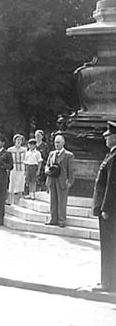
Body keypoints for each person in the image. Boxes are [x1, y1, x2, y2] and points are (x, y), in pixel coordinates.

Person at [92, 121, 116, 293]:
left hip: (109, 212)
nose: (106, 139)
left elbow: (111, 185)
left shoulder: (114, 157)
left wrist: (106, 208)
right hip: (106, 210)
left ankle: (109, 282)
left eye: (108, 137)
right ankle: (107, 280)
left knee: (109, 247)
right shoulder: (111, 155)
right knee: (108, 246)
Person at [44, 134, 74, 228]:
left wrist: (69, 181)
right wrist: (46, 170)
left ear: (63, 143)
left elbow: (71, 169)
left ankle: (62, 220)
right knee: (53, 200)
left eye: (58, 142)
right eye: (55, 142)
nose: (56, 144)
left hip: (62, 180)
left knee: (62, 201)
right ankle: (53, 219)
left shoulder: (68, 155)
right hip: (52, 179)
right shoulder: (52, 154)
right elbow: (47, 164)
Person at [7, 134, 27, 205]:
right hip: (13, 167)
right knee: (12, 183)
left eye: (20, 140)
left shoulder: (24, 150)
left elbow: (26, 159)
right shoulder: (10, 149)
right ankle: (10, 200)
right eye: (17, 139)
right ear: (14, 140)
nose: (19, 141)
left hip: (21, 167)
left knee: (21, 183)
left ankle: (20, 201)